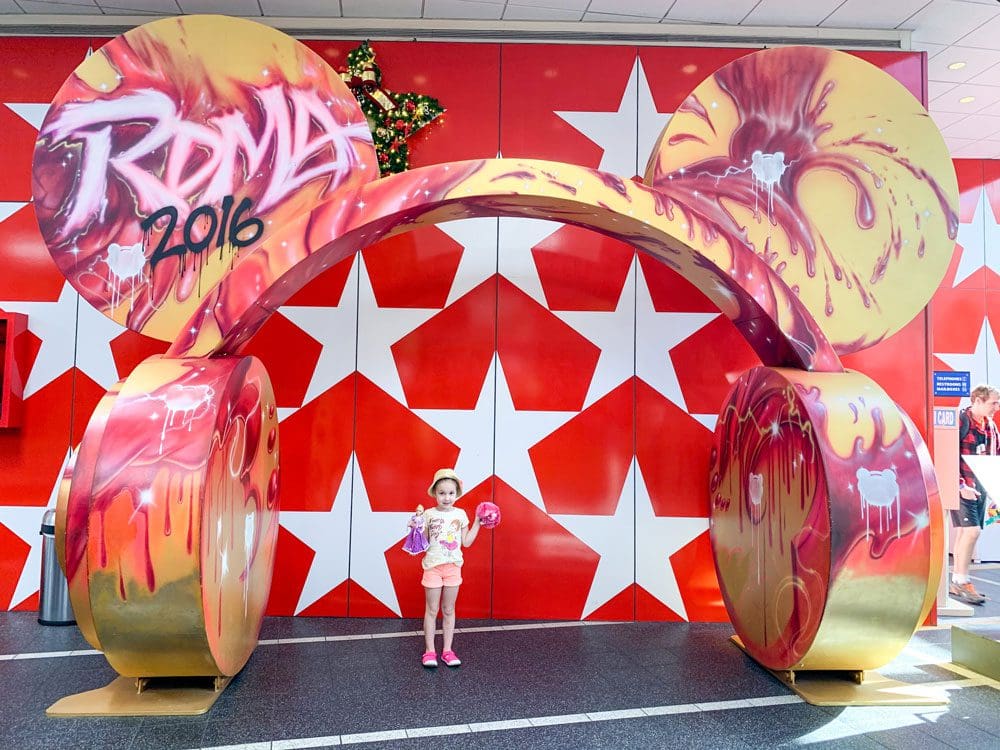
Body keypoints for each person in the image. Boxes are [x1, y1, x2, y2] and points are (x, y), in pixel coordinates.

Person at [409, 468, 481, 668]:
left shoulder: (461, 514)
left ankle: (447, 651)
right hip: (432, 567)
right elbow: (422, 542)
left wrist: (477, 523)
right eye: (442, 493)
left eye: (450, 493)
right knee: (432, 610)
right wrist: (416, 528)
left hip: (453, 568)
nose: (446, 498)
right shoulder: (429, 515)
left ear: (456, 493)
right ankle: (429, 651)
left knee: (448, 609)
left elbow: (466, 542)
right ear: (435, 494)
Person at [952, 384, 1000, 605]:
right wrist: (961, 485)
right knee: (972, 532)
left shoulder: (990, 427)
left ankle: (958, 581)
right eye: (993, 403)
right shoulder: (961, 422)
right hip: (963, 487)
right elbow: (949, 456)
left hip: (979, 489)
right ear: (977, 401)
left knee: (966, 533)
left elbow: (995, 457)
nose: (996, 408)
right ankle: (962, 581)